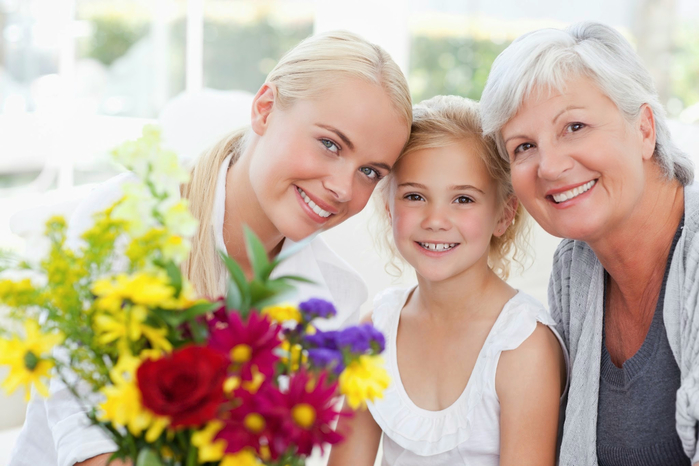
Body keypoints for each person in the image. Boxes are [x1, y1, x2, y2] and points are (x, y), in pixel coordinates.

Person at [9, 31, 412, 466]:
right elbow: (86, 438)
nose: (342, 187)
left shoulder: (336, 297)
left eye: (370, 172)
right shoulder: (128, 219)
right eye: (330, 144)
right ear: (265, 109)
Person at [479, 21, 699, 466]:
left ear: (644, 130)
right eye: (523, 147)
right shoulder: (575, 269)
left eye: (574, 126)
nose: (551, 166)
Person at [328, 95, 567, 466]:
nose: (436, 219)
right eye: (414, 196)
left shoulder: (523, 345)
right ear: (389, 207)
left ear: (504, 215)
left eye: (463, 199)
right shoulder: (377, 329)